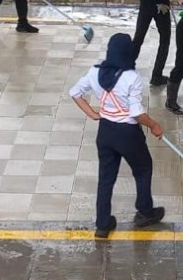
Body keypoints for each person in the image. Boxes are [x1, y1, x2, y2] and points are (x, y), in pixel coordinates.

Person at [70, 33, 166, 239]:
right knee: (143, 169)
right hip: (128, 134)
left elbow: (75, 93)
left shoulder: (95, 72)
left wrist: (94, 114)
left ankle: (103, 225)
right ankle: (145, 212)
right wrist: (154, 125)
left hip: (105, 132)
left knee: (105, 178)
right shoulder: (131, 78)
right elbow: (136, 113)